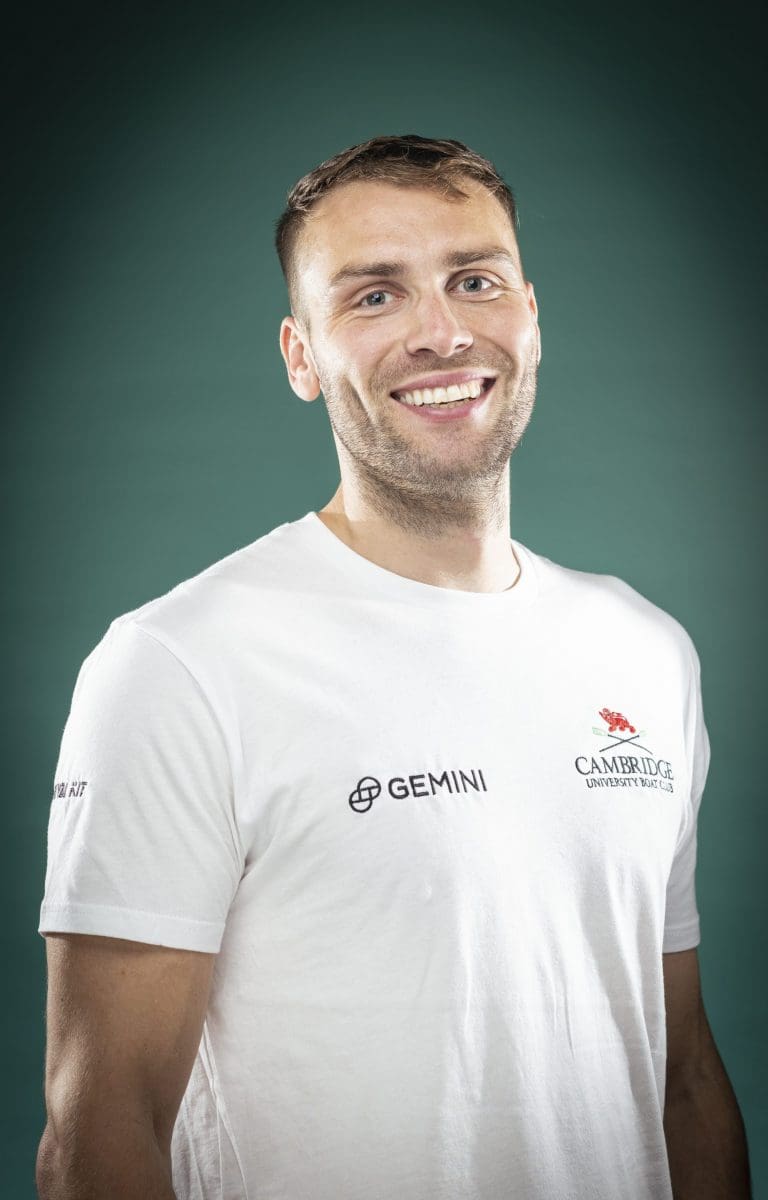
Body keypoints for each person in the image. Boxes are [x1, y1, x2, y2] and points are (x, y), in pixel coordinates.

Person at [36, 134, 752, 1200]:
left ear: (532, 315)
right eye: (374, 296)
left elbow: (681, 1075)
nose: (441, 332)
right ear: (300, 357)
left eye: (475, 281)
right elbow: (99, 1132)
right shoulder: (177, 666)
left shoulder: (647, 651)